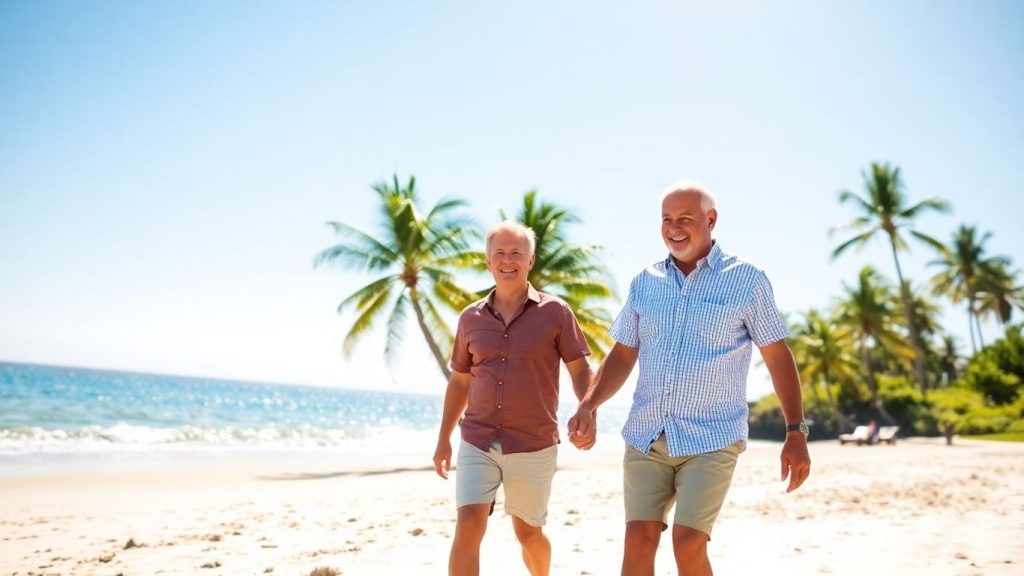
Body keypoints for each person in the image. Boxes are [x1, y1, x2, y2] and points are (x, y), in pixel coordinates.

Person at [567, 181, 811, 576]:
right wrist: (588, 405)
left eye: (685, 218)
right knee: (638, 540)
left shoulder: (747, 280)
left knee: (688, 541)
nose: (674, 228)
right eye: (666, 219)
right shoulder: (645, 282)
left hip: (712, 437)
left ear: (711, 220)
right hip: (646, 434)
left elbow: (778, 356)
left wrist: (795, 431)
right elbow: (623, 354)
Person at [433, 220, 595, 576]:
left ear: (530, 260)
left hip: (533, 443)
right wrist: (444, 438)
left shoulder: (556, 312)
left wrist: (587, 410)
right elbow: (460, 381)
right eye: (500, 253)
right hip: (477, 440)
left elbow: (580, 369)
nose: (508, 261)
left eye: (517, 253)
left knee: (528, 533)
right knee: (468, 526)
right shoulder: (470, 318)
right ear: (488, 261)